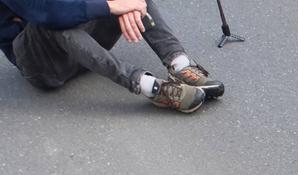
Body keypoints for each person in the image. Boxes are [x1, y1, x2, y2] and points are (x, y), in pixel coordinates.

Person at [0, 0, 224, 113]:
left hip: (86, 47)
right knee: (54, 22)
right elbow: (51, 13)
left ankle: (179, 62)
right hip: (44, 65)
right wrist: (111, 5)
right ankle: (148, 86)